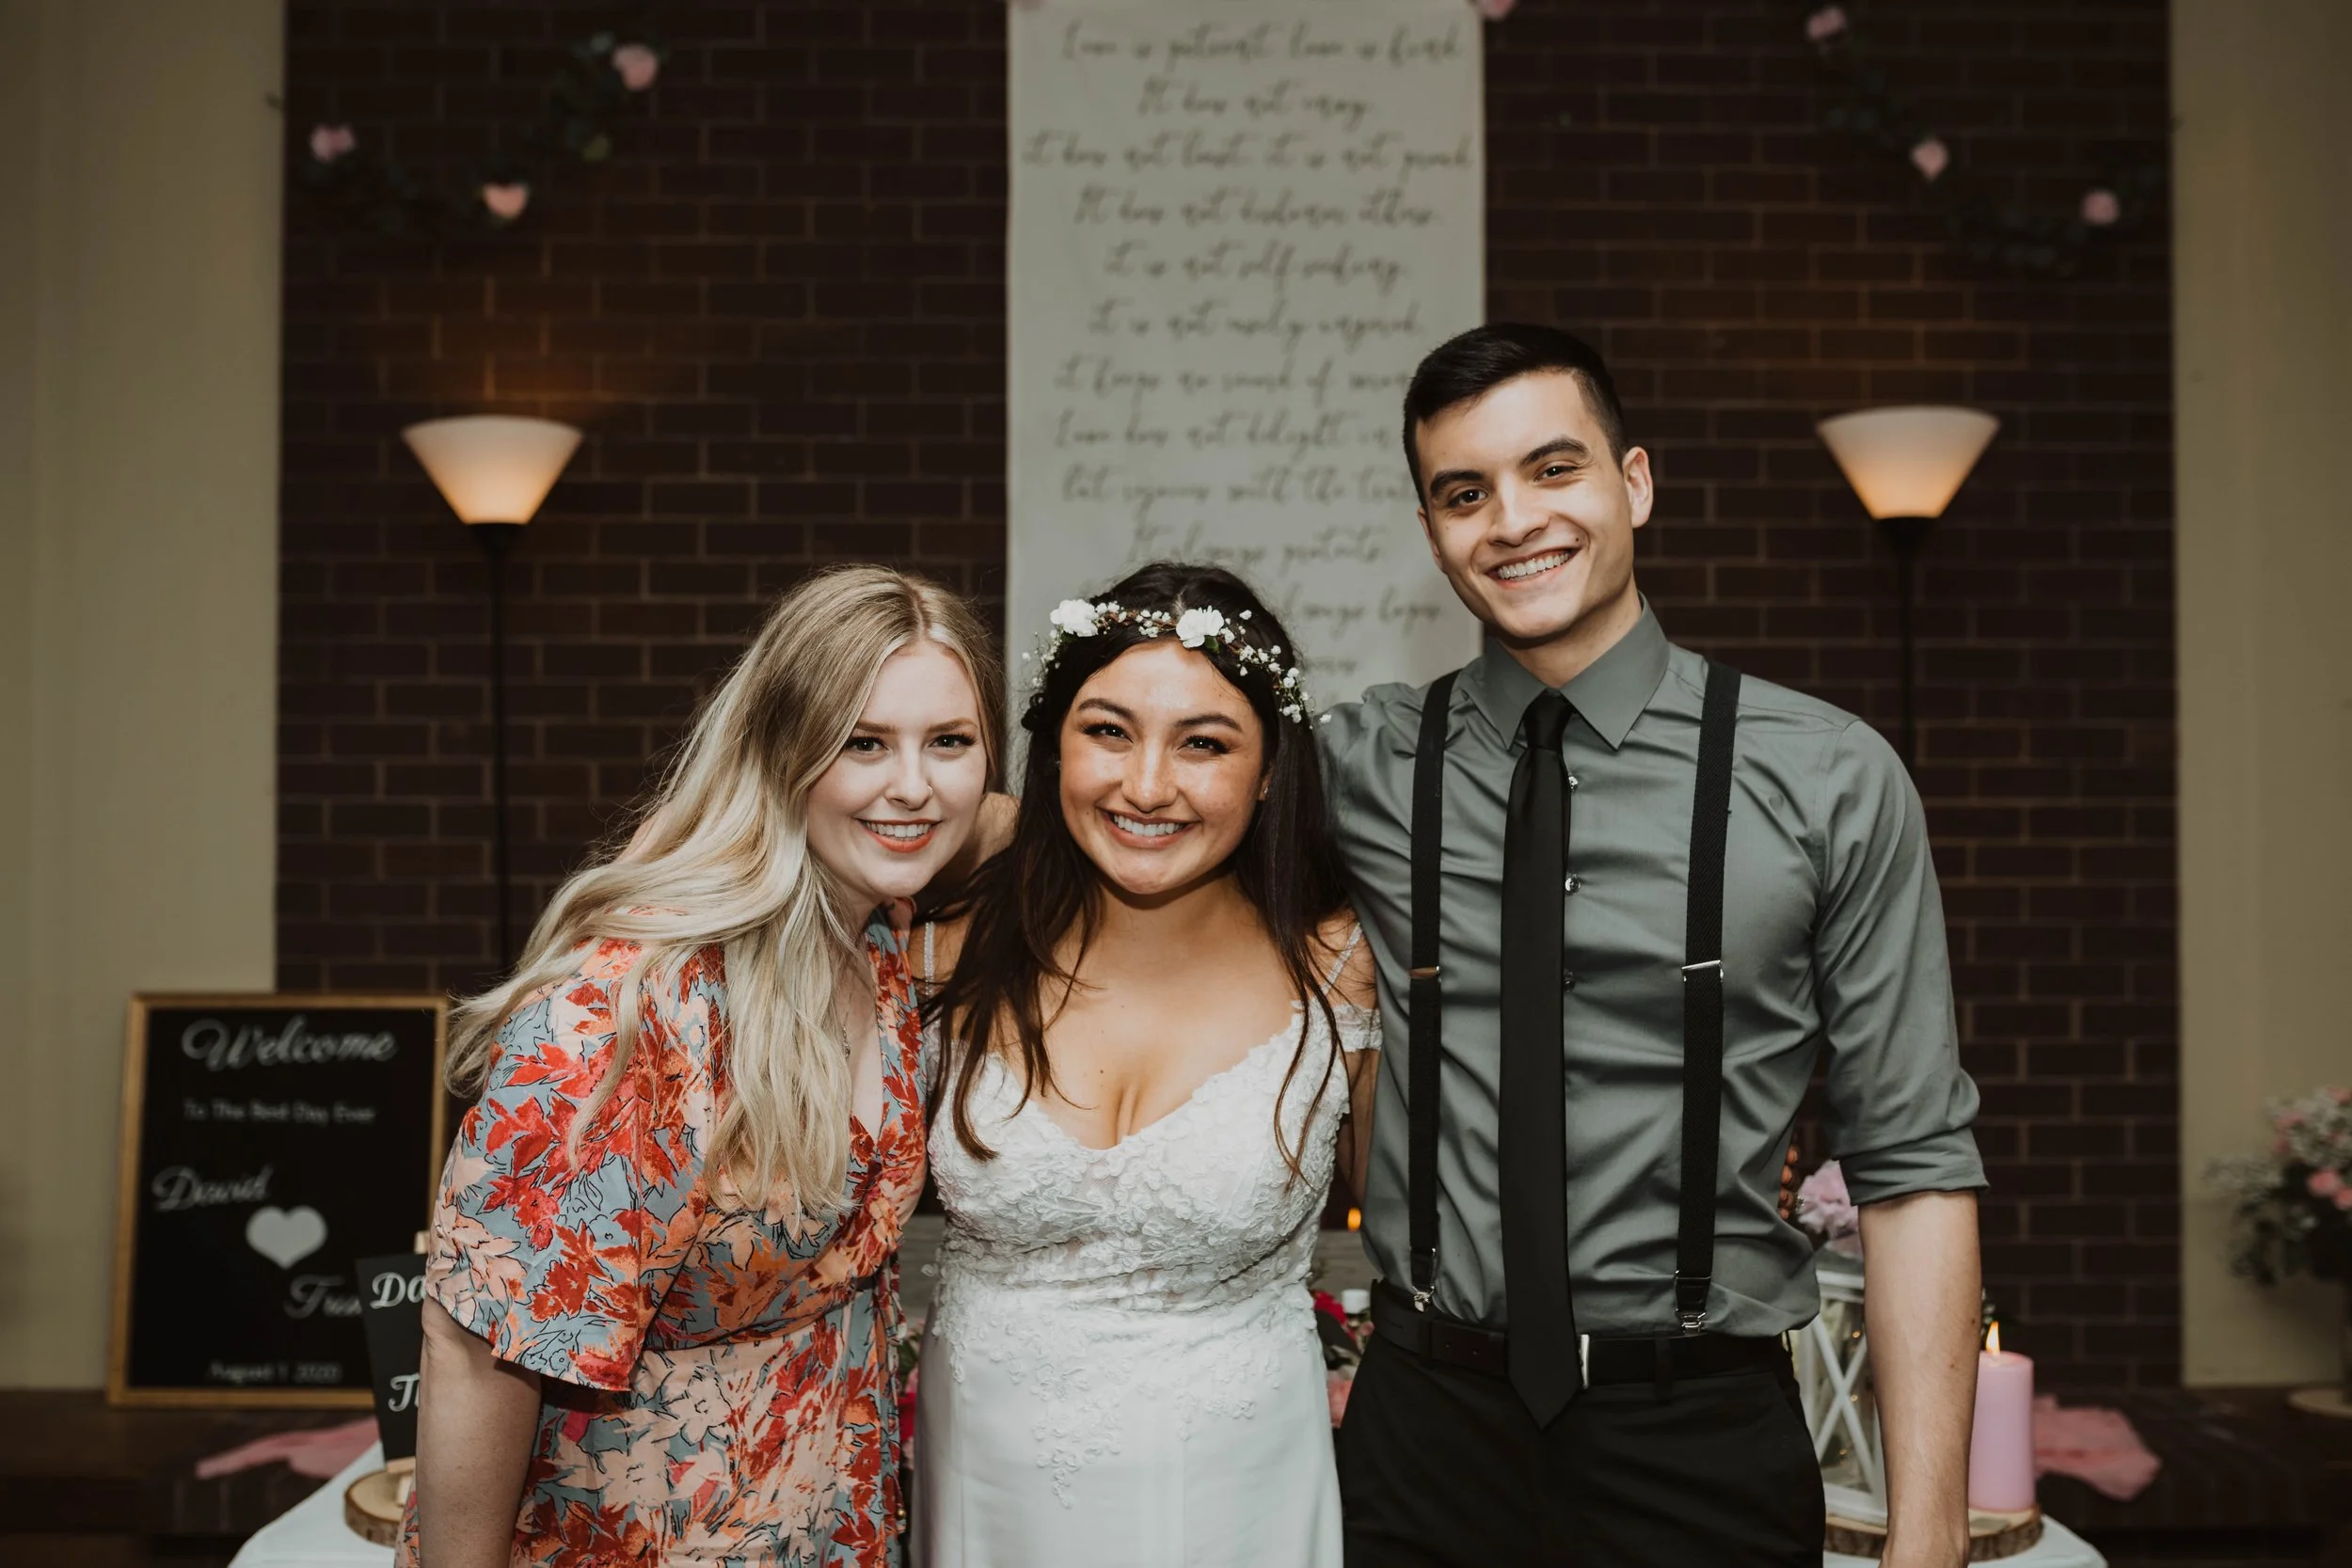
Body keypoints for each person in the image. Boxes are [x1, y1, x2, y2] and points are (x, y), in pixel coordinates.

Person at [1325, 324, 1986, 1568]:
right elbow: (1104, 817)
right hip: (1423, 1431)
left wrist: (1928, 1533)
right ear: (1432, 533)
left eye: (1552, 468)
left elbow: (1913, 1168)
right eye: (1464, 493)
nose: (1511, 519)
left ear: (1634, 481)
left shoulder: (1829, 777)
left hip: (1700, 1438)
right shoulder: (1360, 764)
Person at [402, 565, 1001, 1568]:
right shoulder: (638, 1006)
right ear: (783, 751)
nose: (914, 785)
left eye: (950, 741)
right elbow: (475, 1349)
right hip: (634, 1539)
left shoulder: (879, 933)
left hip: (831, 1528)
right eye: (863, 741)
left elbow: (1005, 819)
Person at [913, 562, 1382, 1568]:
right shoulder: (947, 930)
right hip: (989, 1494)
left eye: (1202, 743)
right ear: (1052, 746)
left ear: (1268, 770)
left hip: (1241, 1494)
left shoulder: (1337, 964)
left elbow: (1423, 1222)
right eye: (1108, 730)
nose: (1145, 785)